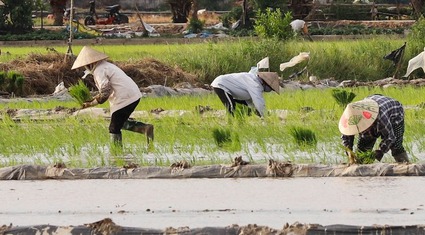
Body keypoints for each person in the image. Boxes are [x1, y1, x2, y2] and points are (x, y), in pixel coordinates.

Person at [71, 46, 154, 147]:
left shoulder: (99, 70)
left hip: (124, 98)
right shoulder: (105, 65)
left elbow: (105, 92)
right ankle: (145, 129)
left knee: (114, 128)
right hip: (132, 95)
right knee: (121, 123)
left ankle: (116, 154)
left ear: (90, 63)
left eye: (85, 65)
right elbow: (106, 90)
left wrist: (91, 103)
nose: (85, 68)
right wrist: (92, 100)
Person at [338, 94, 409, 163]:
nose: (363, 130)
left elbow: (390, 138)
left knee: (396, 146)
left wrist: (380, 151)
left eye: (365, 127)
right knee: (362, 150)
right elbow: (346, 136)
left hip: (395, 113)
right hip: (373, 103)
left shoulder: (381, 118)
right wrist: (349, 151)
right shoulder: (350, 118)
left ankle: (405, 166)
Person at [210, 71, 280, 118]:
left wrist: (259, 113)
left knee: (244, 109)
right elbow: (258, 101)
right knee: (231, 106)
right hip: (221, 84)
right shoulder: (255, 84)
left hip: (229, 88)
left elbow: (250, 102)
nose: (270, 90)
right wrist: (265, 116)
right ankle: (230, 126)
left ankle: (238, 124)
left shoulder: (254, 83)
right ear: (266, 83)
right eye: (271, 88)